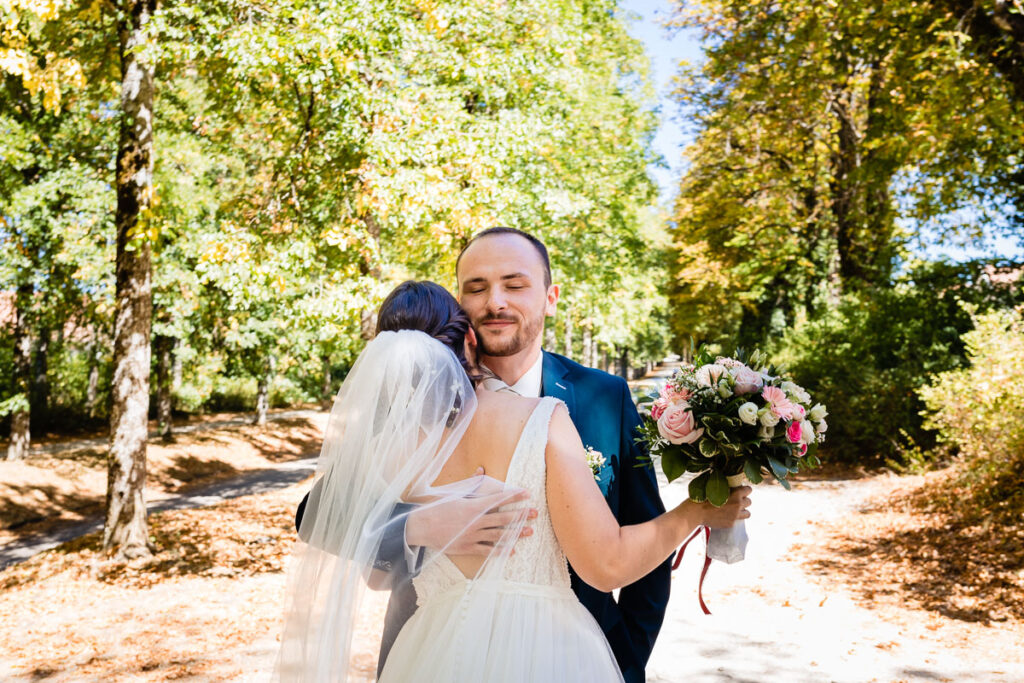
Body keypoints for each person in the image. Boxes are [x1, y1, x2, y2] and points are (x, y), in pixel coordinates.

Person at [280, 279, 751, 681]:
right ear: (468, 341)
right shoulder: (541, 418)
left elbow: (376, 578)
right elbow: (607, 565)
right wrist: (698, 510)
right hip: (545, 647)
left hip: (429, 654)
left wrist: (416, 528)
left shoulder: (392, 451)